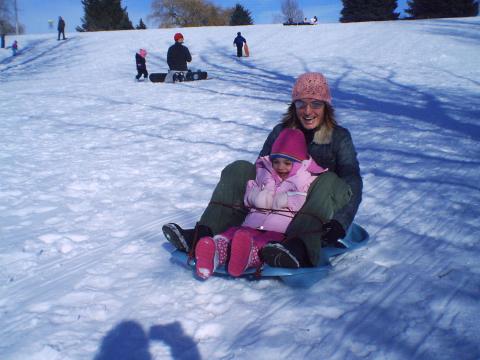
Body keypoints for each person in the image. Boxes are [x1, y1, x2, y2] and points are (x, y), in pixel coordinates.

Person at [162, 72, 362, 269]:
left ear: (326, 107)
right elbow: (263, 166)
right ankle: (204, 234)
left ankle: (299, 247)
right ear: (294, 106)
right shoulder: (280, 132)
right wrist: (260, 198)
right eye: (301, 104)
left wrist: (339, 222)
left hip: (317, 205)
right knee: (239, 169)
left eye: (316, 104)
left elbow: (351, 182)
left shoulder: (339, 138)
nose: (308, 111)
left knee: (326, 181)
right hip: (278, 201)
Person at [194, 128, 332, 279]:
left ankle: (247, 258)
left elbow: (304, 200)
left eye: (287, 163)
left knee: (262, 244)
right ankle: (213, 253)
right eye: (276, 162)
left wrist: (287, 198)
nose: (281, 167)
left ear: (299, 164)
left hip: (278, 229)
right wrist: (256, 196)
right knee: (233, 234)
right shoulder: (264, 174)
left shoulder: (304, 179)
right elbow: (248, 195)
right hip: (251, 224)